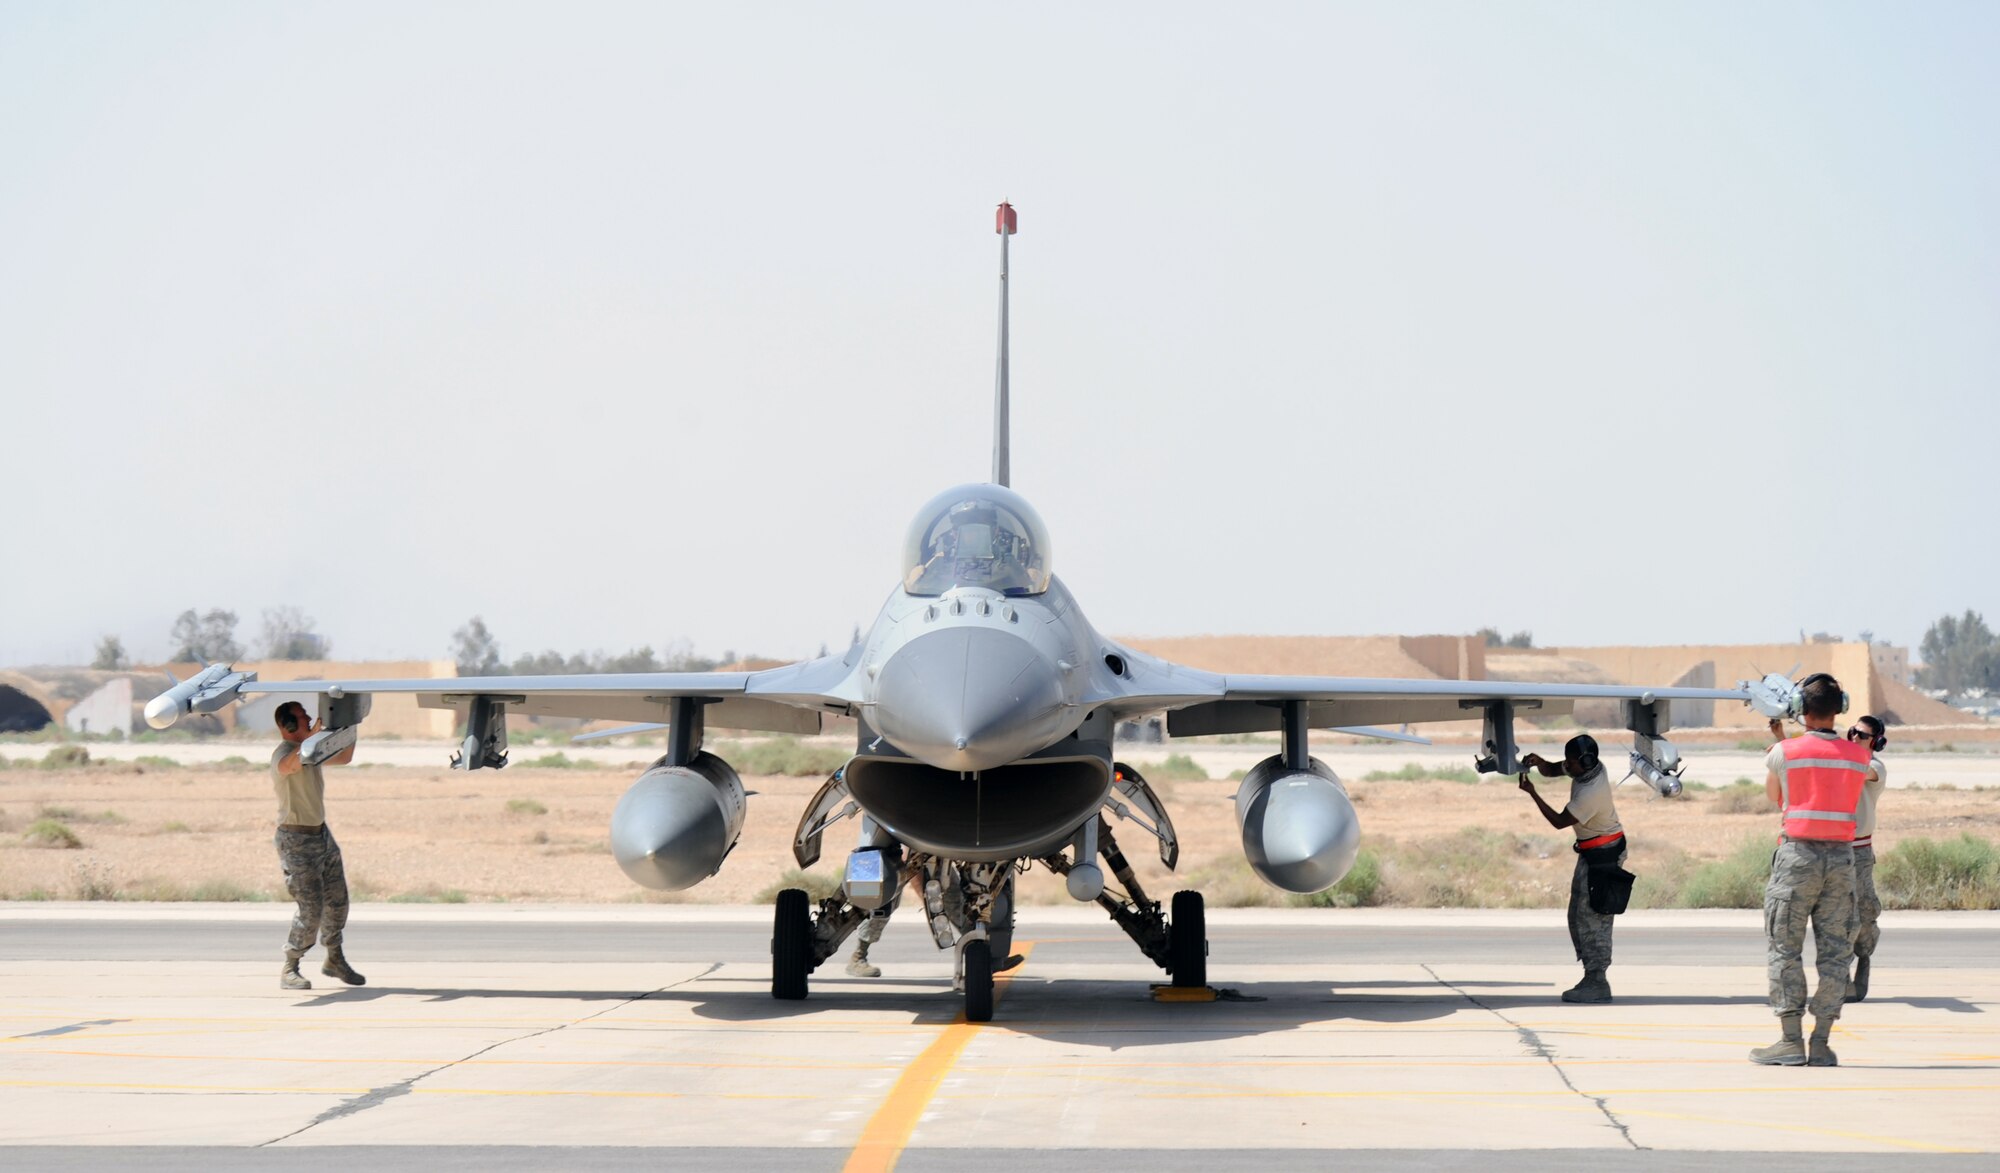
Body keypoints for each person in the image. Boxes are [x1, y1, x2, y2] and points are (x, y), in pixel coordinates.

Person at [1750, 673, 1870, 1067]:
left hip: (1797, 857)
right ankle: (1820, 1041)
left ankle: (1789, 1040)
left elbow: (1775, 797)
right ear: (1841, 708)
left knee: (1785, 947)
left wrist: (1782, 744)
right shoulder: (1859, 756)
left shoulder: (1786, 751)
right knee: (1836, 953)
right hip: (1841, 859)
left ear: (1802, 709)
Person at [1519, 734, 1629, 1004]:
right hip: (1592, 851)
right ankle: (1591, 975)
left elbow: (1558, 821)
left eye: (1571, 763)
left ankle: (1597, 980)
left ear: (1585, 762)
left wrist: (1533, 793)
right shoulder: (1588, 767)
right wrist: (1541, 763)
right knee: (1577, 914)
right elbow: (1556, 769)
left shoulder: (1591, 794)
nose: (1568, 766)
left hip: (1605, 855)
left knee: (1594, 916)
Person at [269, 701, 364, 991]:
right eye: (303, 718)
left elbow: (345, 757)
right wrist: (313, 738)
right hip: (296, 839)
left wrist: (350, 724)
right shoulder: (283, 755)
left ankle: (334, 958)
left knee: (337, 902)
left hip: (321, 835)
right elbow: (291, 765)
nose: (310, 720)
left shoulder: (310, 752)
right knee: (310, 909)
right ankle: (291, 965)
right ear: (288, 726)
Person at [1845, 714, 1889, 1002]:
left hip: (1860, 850)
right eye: (1852, 733)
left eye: (1861, 736)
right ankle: (1842, 977)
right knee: (1838, 915)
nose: (1854, 739)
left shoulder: (1874, 767)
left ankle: (1864, 956)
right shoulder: (1843, 759)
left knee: (1865, 912)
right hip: (1834, 847)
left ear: (1876, 743)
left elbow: (1857, 771)